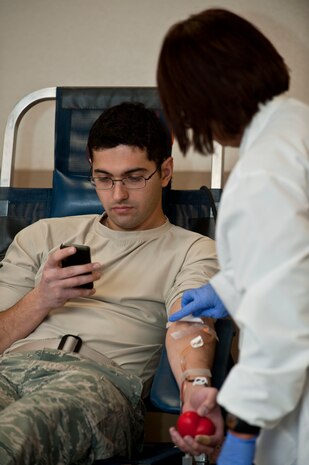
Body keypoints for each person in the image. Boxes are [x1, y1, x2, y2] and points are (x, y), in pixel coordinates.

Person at [0, 102, 222, 464]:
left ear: (165, 171)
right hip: (10, 370)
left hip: (97, 385)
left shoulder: (193, 249)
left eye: (134, 177)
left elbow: (189, 324)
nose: (117, 194)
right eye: (104, 178)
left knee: (13, 438)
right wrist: (41, 298)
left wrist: (195, 386)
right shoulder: (40, 235)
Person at [157, 8, 309, 465]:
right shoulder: (297, 127)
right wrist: (227, 289)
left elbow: (282, 322)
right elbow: (292, 256)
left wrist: (241, 429)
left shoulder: (262, 174)